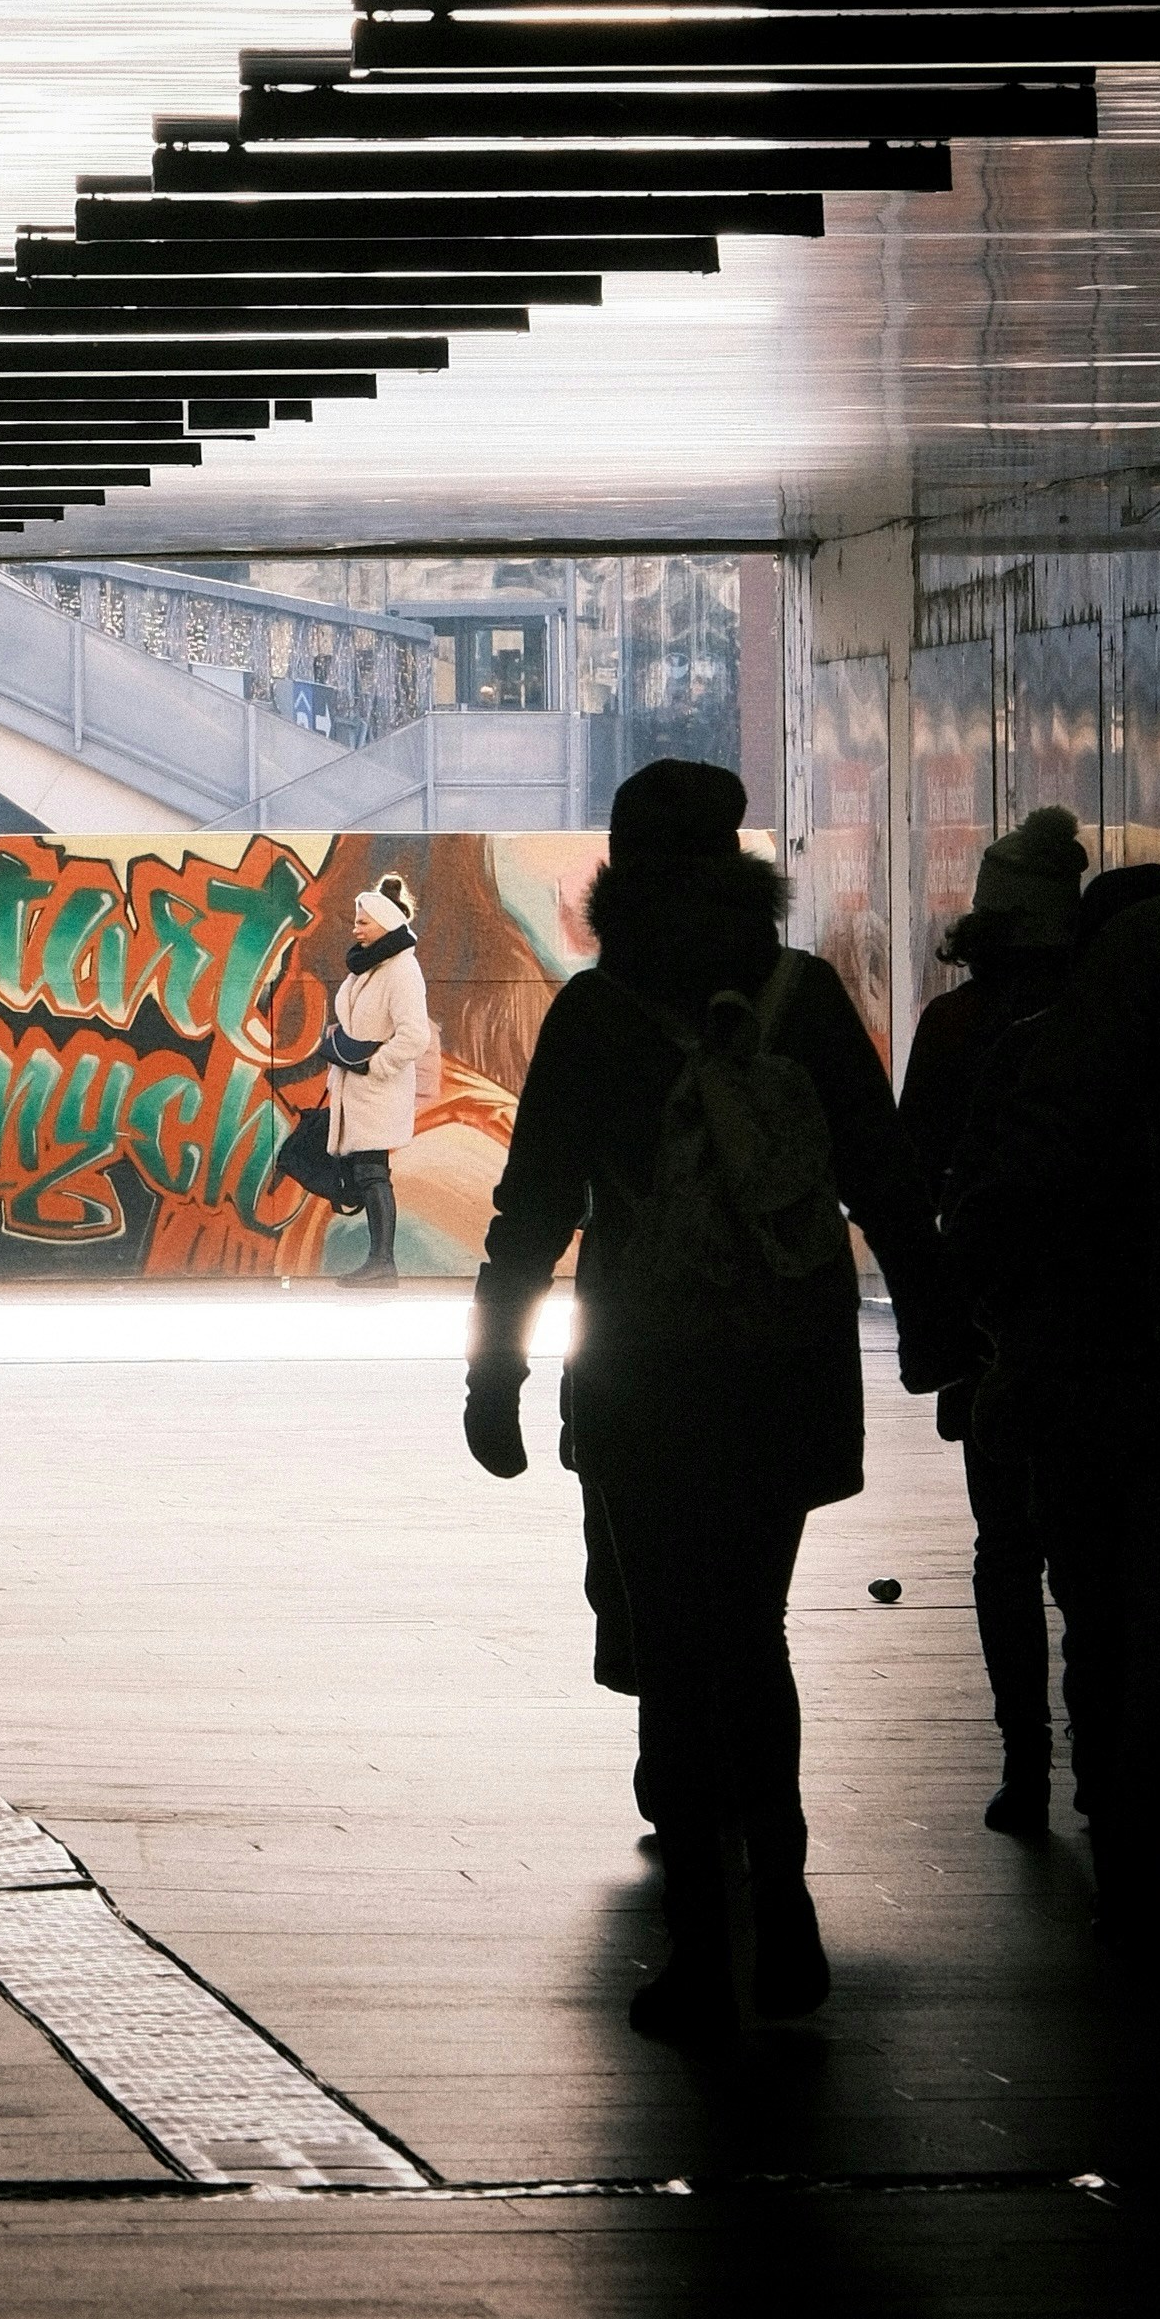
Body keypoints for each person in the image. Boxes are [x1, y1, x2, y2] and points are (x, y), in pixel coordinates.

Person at [465, 756, 949, 2048]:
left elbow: (532, 1209)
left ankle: (698, 1940)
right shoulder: (796, 996)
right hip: (778, 1365)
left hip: (644, 1368)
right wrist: (935, 1325)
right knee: (748, 1626)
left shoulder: (595, 1011)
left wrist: (494, 1366)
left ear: (617, 868)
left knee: (679, 1646)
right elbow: (880, 1173)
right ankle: (779, 1900)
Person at [948, 850, 1160, 1968]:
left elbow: (998, 1200)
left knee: (1096, 1612)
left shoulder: (1048, 1047)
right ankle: (1129, 1838)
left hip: (1086, 1368)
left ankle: (1116, 1842)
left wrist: (991, 1341)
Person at [894, 805, 1089, 1834]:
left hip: (987, 1327)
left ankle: (1025, 1761)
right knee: (1096, 1559)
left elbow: (913, 1174)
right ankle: (1104, 1770)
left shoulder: (955, 1029)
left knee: (1002, 1548)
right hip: (1103, 1332)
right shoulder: (1108, 1023)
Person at [315, 869, 438, 1283]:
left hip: (377, 1090)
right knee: (367, 1173)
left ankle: (382, 1262)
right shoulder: (369, 968)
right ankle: (379, 1261)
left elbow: (415, 1035)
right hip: (357, 1088)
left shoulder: (402, 970)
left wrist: (375, 1066)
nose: (355, 929)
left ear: (384, 924)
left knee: (372, 1172)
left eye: (362, 922)